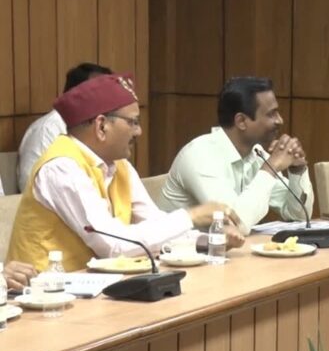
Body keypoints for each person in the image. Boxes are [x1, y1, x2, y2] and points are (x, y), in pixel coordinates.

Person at [6, 74, 245, 272]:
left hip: (94, 289)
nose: (139, 132)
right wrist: (191, 215)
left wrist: (208, 242)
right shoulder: (62, 168)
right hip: (44, 294)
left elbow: (155, 224)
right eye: (133, 122)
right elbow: (114, 246)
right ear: (101, 126)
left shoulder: (119, 165)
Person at [160, 77, 313, 234]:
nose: (280, 120)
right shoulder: (200, 156)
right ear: (241, 121)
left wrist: (297, 169)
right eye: (271, 114)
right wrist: (270, 168)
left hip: (226, 248)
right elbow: (235, 224)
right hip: (181, 248)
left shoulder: (256, 153)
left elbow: (299, 215)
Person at [17, 63, 113, 192]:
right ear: (75, 95)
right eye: (99, 93)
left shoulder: (103, 127)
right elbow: (31, 187)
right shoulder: (46, 130)